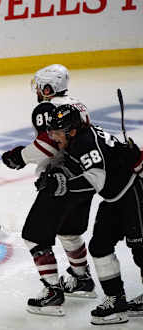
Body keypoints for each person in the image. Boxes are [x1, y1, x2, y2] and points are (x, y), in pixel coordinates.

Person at [2, 64, 96, 316]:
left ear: (47, 87)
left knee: (34, 235)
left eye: (40, 86)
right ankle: (82, 278)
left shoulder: (47, 108)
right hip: (87, 177)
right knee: (69, 230)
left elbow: (49, 144)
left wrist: (19, 157)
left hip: (60, 183)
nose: (37, 92)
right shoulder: (78, 104)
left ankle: (53, 292)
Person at [39, 103, 143, 325]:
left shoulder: (86, 143)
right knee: (100, 247)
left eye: (57, 132)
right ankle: (116, 301)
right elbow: (78, 166)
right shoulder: (79, 139)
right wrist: (54, 174)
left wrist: (62, 184)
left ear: (72, 131)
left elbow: (96, 178)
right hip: (115, 197)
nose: (53, 136)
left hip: (134, 193)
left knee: (141, 249)